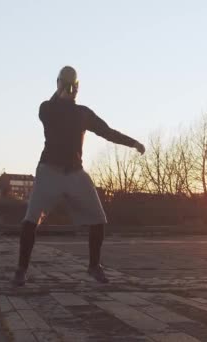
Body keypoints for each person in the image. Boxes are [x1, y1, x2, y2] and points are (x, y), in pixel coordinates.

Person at [13, 66, 145, 286]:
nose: (69, 89)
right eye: (65, 85)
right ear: (58, 85)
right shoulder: (47, 109)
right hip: (49, 171)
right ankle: (21, 269)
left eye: (70, 86)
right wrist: (61, 90)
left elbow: (107, 132)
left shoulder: (83, 113)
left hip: (75, 173)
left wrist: (133, 143)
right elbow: (50, 110)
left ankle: (94, 266)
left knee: (99, 219)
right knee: (30, 220)